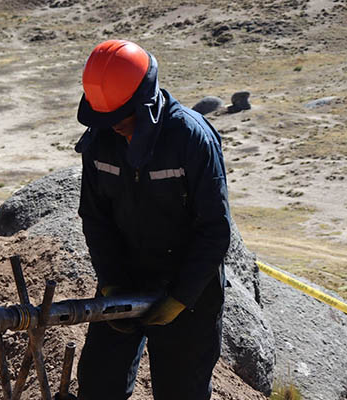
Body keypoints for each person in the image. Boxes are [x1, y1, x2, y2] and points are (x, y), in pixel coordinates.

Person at [74, 39, 231, 400]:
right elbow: (96, 219)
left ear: (145, 102)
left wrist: (181, 296)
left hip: (189, 288)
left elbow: (215, 229)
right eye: (105, 119)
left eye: (120, 117)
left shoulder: (190, 138)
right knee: (98, 383)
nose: (113, 126)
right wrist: (112, 283)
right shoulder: (100, 141)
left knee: (181, 392)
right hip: (125, 278)